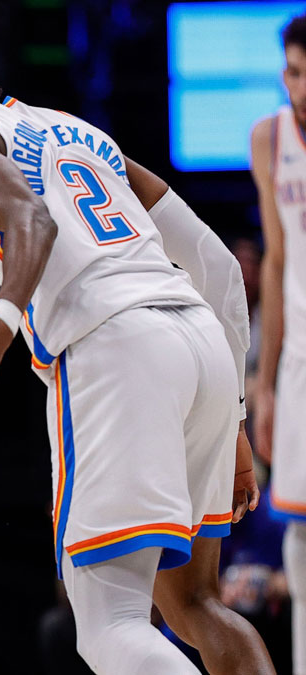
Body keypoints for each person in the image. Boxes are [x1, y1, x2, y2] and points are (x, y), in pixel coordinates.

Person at [0, 1, 272, 673]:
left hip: (115, 347)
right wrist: (231, 415)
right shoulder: (73, 129)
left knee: (107, 620)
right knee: (197, 606)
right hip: (199, 339)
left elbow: (30, 216)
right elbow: (220, 266)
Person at [252, 13, 306, 675]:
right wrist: (263, 381)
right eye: (294, 74)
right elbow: (273, 258)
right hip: (297, 360)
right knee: (298, 530)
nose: (302, 88)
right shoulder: (268, 138)